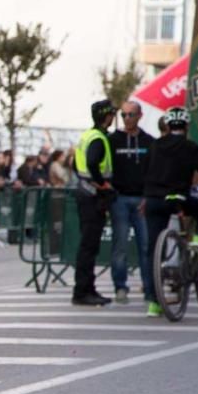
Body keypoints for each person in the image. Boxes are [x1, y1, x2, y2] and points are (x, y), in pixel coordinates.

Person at [143, 106, 198, 317]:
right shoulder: (189, 147)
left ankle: (153, 302)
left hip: (154, 200)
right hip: (177, 197)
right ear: (186, 126)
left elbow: (144, 170)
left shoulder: (155, 146)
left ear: (167, 125)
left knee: (152, 251)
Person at [108, 100, 155, 305]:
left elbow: (154, 171)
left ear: (139, 116)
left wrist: (149, 196)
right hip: (119, 198)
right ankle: (120, 287)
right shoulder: (113, 140)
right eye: (124, 115)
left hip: (142, 199)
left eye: (131, 115)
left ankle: (149, 288)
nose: (127, 119)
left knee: (146, 246)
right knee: (120, 246)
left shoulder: (149, 141)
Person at [72, 99, 117, 306]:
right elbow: (91, 163)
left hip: (84, 194)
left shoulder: (87, 136)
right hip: (92, 197)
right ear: (107, 116)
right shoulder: (98, 138)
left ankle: (86, 289)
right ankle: (82, 291)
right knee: (89, 246)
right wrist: (102, 184)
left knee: (87, 245)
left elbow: (75, 165)